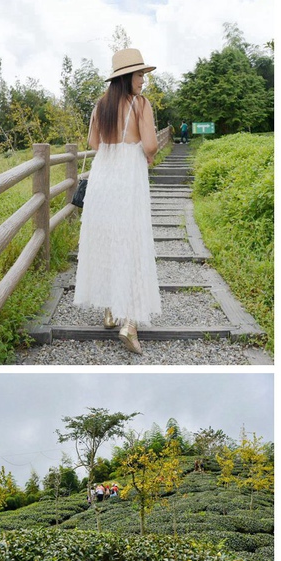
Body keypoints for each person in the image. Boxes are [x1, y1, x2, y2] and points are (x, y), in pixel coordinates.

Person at [73, 48, 162, 354]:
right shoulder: (140, 105)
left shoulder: (100, 106)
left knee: (108, 240)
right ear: (126, 77)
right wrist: (148, 155)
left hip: (103, 178)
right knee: (133, 244)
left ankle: (110, 310)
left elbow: (93, 143)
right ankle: (130, 323)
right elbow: (150, 143)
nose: (143, 81)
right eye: (139, 75)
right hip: (129, 179)